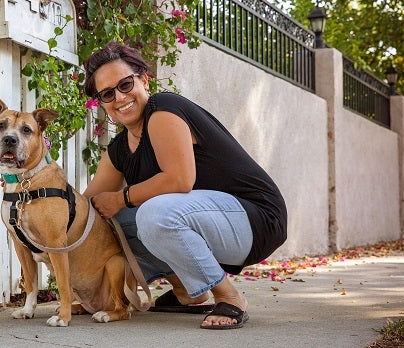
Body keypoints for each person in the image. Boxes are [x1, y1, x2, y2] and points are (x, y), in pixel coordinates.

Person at [82, 42, 287, 330]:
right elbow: (86, 207)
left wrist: (122, 197)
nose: (119, 97)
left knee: (151, 214)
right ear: (102, 103)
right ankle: (187, 291)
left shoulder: (164, 109)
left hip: (257, 219)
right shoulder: (119, 150)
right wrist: (33, 191)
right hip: (214, 220)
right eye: (107, 93)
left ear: (143, 80)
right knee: (111, 216)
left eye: (126, 84)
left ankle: (229, 297)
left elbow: (179, 180)